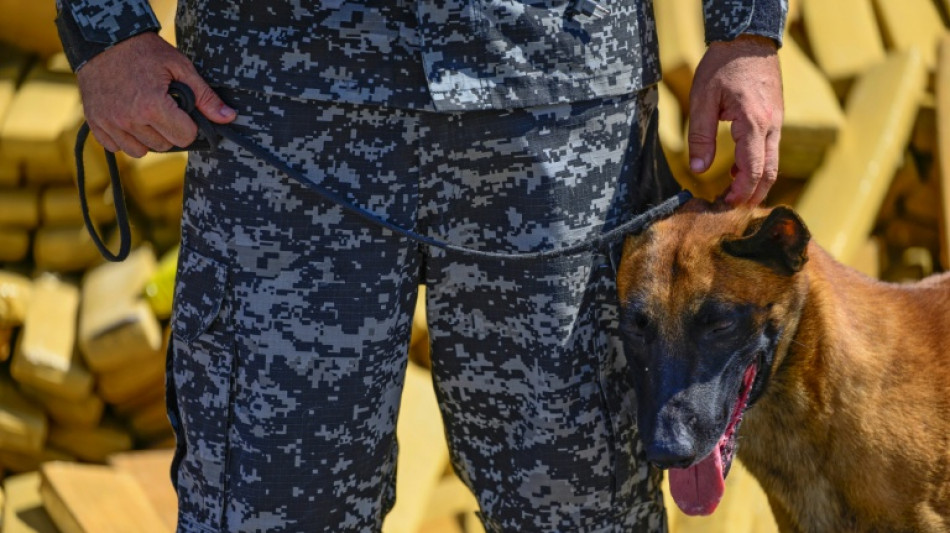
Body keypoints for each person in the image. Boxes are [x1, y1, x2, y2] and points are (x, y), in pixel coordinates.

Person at [55, 1, 785, 531]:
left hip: (556, 99)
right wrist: (105, 27)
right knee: (271, 501)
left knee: (582, 503)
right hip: (283, 98)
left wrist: (746, 29)